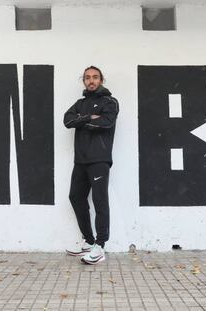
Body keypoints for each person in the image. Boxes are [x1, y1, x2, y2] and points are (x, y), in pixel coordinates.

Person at [63, 66, 119, 265]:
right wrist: (87, 118)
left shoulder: (110, 102)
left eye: (95, 77)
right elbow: (67, 121)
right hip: (81, 160)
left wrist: (82, 121)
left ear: (101, 79)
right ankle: (88, 240)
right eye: (87, 78)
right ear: (84, 81)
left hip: (99, 159)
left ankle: (100, 246)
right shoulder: (80, 103)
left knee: (99, 200)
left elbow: (105, 123)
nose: (91, 80)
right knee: (75, 197)